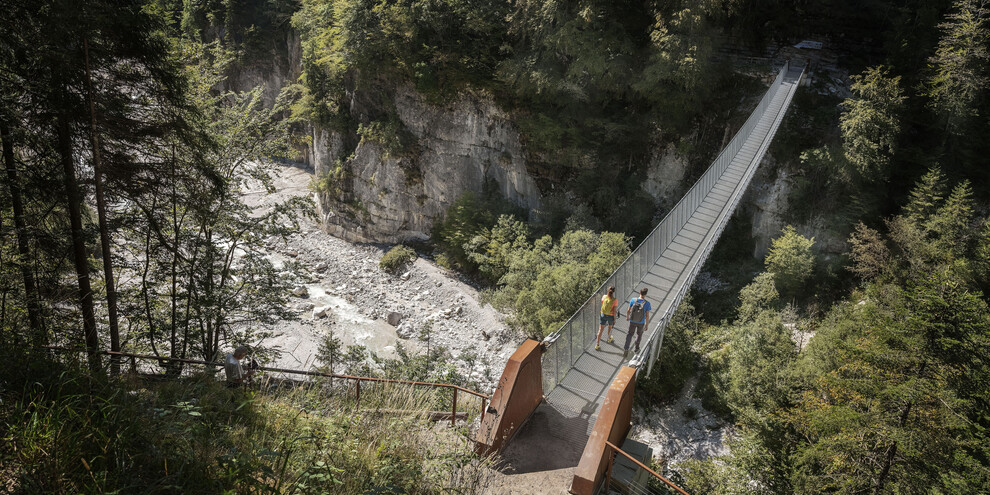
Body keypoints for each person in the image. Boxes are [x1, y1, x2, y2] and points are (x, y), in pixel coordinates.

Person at [623, 288, 651, 359]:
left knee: (630, 334)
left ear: (640, 292)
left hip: (632, 321)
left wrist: (627, 317)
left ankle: (626, 349)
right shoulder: (647, 303)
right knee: (639, 334)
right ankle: (636, 348)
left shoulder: (633, 300)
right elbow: (647, 316)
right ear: (646, 294)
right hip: (641, 322)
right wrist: (647, 324)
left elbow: (628, 310)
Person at [595, 286, 619, 350]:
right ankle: (609, 339)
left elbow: (602, 303)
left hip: (603, 314)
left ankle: (597, 344)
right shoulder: (615, 300)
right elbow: (614, 311)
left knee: (600, 330)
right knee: (610, 327)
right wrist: (614, 319)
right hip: (610, 316)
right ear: (613, 292)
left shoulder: (604, 297)